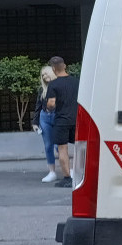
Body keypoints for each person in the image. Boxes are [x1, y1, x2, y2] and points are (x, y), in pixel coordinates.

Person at [45, 56, 79, 189]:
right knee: (79, 147)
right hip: (76, 119)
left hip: (61, 120)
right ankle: (80, 175)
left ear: (53, 69)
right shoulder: (76, 82)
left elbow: (51, 103)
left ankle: (67, 178)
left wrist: (49, 107)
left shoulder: (53, 84)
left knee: (62, 148)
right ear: (64, 66)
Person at [31, 65, 58, 182]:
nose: (44, 76)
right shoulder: (42, 89)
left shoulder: (59, 86)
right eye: (42, 75)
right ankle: (52, 172)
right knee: (48, 145)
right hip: (44, 117)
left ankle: (68, 170)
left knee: (59, 145)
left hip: (58, 116)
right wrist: (35, 122)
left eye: (46, 73)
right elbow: (38, 106)